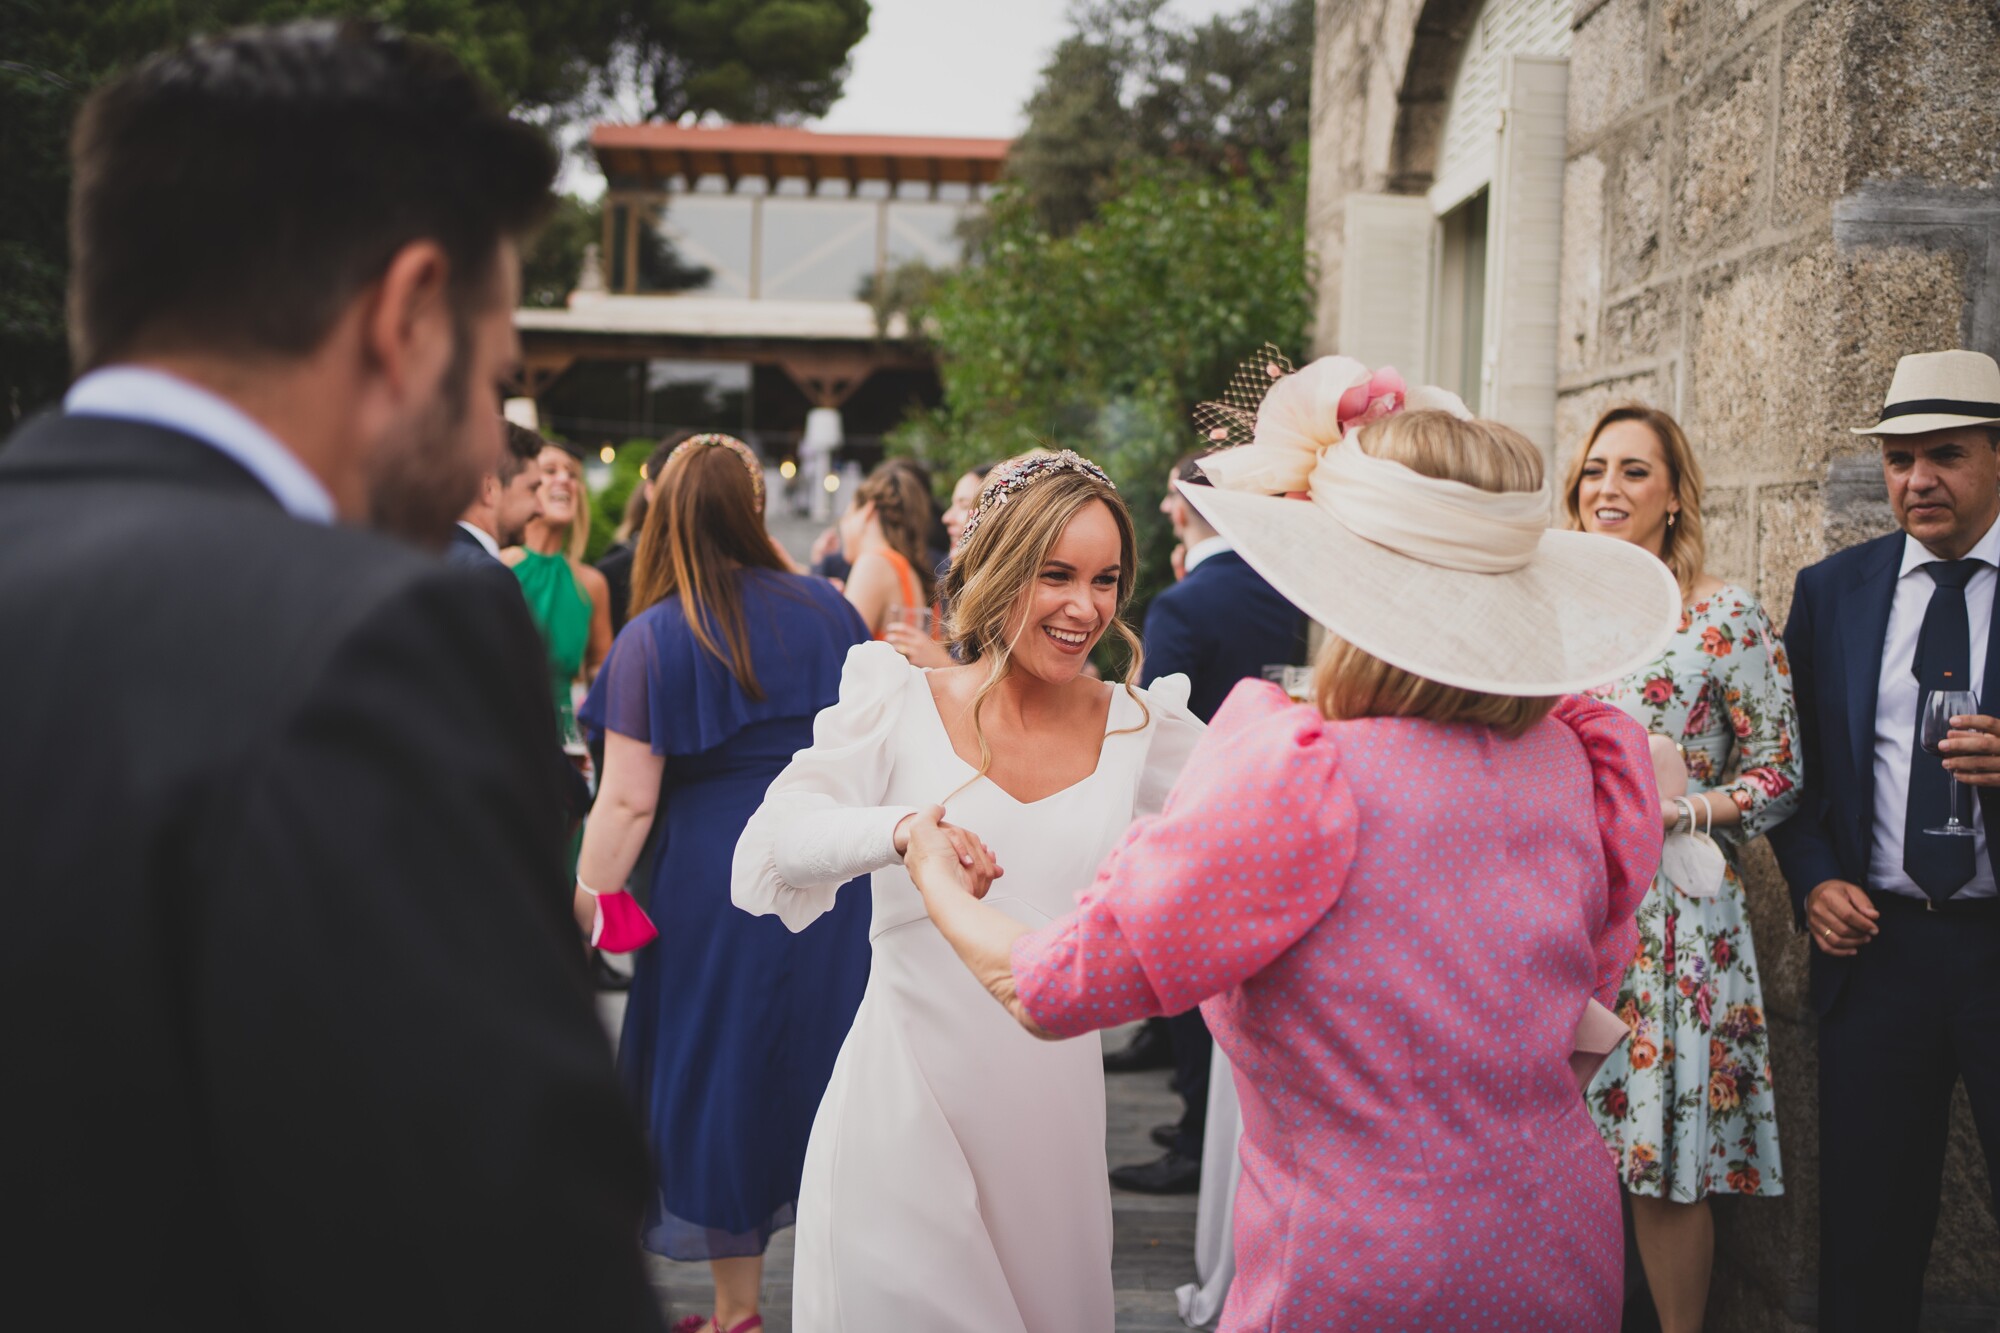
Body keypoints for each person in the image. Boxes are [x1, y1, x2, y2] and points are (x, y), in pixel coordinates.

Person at [0, 20, 660, 1330]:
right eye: (495, 372)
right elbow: (507, 1248)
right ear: (407, 312)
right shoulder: (370, 641)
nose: (488, 425)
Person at [897, 362, 1681, 1332]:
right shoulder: (1580, 756)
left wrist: (934, 874)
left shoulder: (1302, 772)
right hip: (1560, 1251)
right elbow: (1586, 1001)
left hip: (1362, 1271)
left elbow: (1049, 987)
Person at [732, 450, 1204, 1332]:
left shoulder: (1142, 725)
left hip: (1052, 1132)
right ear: (994, 567)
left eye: (1106, 580)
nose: (1085, 607)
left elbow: (1262, 828)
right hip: (900, 1112)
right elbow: (769, 848)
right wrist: (903, 831)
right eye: (1054, 574)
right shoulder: (895, 699)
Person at [573, 433, 872, 1333]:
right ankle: (847, 1293)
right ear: (752, 509)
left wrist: (578, 906)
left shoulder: (655, 635)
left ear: (663, 509)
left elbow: (626, 803)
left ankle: (736, 1311)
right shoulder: (829, 609)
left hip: (711, 877)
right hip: (828, 862)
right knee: (834, 1062)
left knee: (721, 1073)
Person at [1768, 349, 2000, 1332]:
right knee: (1865, 1238)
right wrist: (1814, 879)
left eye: (1941, 455)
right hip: (1877, 955)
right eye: (1897, 458)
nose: (1914, 480)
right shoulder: (1831, 591)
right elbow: (1798, 776)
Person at [1561, 403, 1797, 1332]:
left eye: (1633, 472)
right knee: (1560, 1142)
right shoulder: (1551, 607)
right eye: (1594, 470)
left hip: (1672, 919)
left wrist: (1683, 808)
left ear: (1673, 497)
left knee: (1661, 1159)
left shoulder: (1721, 612)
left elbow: (1781, 769)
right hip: (1559, 907)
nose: (1608, 489)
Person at [1108, 452, 1311, 1200]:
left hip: (1206, 815)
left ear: (1200, 503)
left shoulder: (1184, 605)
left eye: (1173, 494)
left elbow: (1158, 719)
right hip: (1291, 816)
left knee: (1195, 987)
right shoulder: (1294, 586)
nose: (1166, 507)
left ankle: (1197, 1137)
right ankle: (1216, 1130)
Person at [505, 440, 613, 737]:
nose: (564, 479)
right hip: (502, 732)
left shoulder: (592, 583)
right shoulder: (498, 568)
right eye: (550, 471)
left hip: (565, 740)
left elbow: (600, 666)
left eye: (572, 474)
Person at [886, 462, 993, 670]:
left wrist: (942, 663)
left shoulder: (1007, 599)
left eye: (963, 506)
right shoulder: (952, 578)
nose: (946, 518)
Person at [598, 433, 690, 633]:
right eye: (677, 487)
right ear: (650, 490)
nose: (689, 500)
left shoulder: (732, 572)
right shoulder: (613, 573)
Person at [835, 458, 936, 640]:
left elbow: (839, 647)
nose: (842, 526)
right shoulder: (900, 566)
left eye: (847, 516)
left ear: (867, 509)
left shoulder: (874, 563)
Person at [449, 418, 545, 574]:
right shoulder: (486, 573)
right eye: (532, 489)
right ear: (489, 488)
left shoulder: (421, 554)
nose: (540, 510)